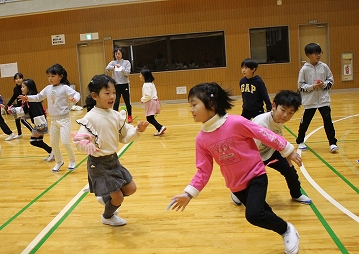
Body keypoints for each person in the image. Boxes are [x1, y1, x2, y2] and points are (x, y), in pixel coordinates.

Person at [168, 82, 300, 254]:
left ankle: (287, 230)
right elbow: (203, 170)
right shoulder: (201, 139)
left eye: (194, 104)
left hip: (256, 175)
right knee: (263, 213)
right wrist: (188, 193)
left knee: (253, 215)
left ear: (211, 104)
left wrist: (286, 150)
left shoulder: (235, 122)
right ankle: (285, 229)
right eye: (190, 105)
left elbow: (264, 134)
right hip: (236, 185)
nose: (191, 110)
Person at [72, 74, 148, 226]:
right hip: (98, 164)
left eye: (113, 92)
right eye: (107, 93)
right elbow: (79, 141)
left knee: (131, 188)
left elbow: (125, 137)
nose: (112, 96)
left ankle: (106, 198)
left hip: (113, 161)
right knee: (118, 197)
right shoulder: (90, 117)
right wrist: (87, 145)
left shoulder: (115, 115)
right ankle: (107, 216)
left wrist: (137, 130)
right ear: (95, 96)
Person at [230, 90, 311, 206]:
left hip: (270, 150)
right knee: (249, 180)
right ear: (274, 106)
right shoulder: (261, 123)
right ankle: (236, 191)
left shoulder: (277, 120)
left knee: (289, 170)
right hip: (253, 155)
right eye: (283, 110)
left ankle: (296, 194)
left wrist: (286, 153)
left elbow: (277, 137)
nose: (285, 116)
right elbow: (250, 148)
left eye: (290, 113)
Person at [19, 63, 80, 172]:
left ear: (60, 76)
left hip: (64, 120)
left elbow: (77, 94)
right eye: (49, 76)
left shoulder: (65, 88)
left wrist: (75, 99)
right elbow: (38, 97)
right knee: (53, 143)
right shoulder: (48, 88)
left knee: (65, 142)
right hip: (54, 121)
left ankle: (72, 160)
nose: (50, 79)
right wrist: (27, 98)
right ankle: (59, 161)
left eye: (53, 76)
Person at [296, 43, 338, 153]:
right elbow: (300, 86)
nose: (318, 55)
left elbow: (331, 80)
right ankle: (300, 141)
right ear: (309, 55)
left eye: (319, 53)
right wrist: (312, 87)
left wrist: (323, 84)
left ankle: (332, 143)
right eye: (315, 53)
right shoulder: (304, 69)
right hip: (310, 101)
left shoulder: (324, 67)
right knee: (305, 122)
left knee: (328, 121)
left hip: (324, 101)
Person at [20, 79, 54, 161]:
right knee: (38, 140)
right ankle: (52, 152)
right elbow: (25, 110)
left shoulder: (32, 99)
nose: (21, 88)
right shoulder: (30, 98)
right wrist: (14, 110)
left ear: (29, 88)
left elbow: (37, 111)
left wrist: (40, 125)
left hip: (40, 122)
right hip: (40, 122)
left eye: (23, 87)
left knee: (33, 141)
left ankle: (52, 151)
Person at [106, 47, 133, 123]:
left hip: (124, 84)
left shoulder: (126, 62)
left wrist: (122, 68)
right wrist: (114, 67)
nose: (117, 55)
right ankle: (115, 117)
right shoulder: (113, 62)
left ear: (122, 54)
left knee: (127, 101)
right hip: (116, 85)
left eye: (119, 53)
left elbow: (127, 73)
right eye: (116, 53)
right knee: (116, 101)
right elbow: (107, 69)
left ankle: (130, 115)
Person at [5, 73, 33, 141]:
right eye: (16, 79)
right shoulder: (15, 88)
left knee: (23, 120)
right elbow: (14, 96)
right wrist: (8, 105)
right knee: (16, 118)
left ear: (22, 79)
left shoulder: (25, 86)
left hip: (26, 106)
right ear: (14, 80)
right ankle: (19, 133)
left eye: (20, 78)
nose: (18, 80)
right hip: (19, 106)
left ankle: (33, 132)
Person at [139, 67, 166, 136]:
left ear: (144, 76)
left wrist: (142, 99)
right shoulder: (151, 83)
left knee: (149, 118)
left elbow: (148, 96)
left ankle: (160, 127)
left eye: (140, 74)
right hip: (154, 101)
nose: (139, 76)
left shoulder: (146, 85)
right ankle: (160, 128)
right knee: (151, 117)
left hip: (151, 102)